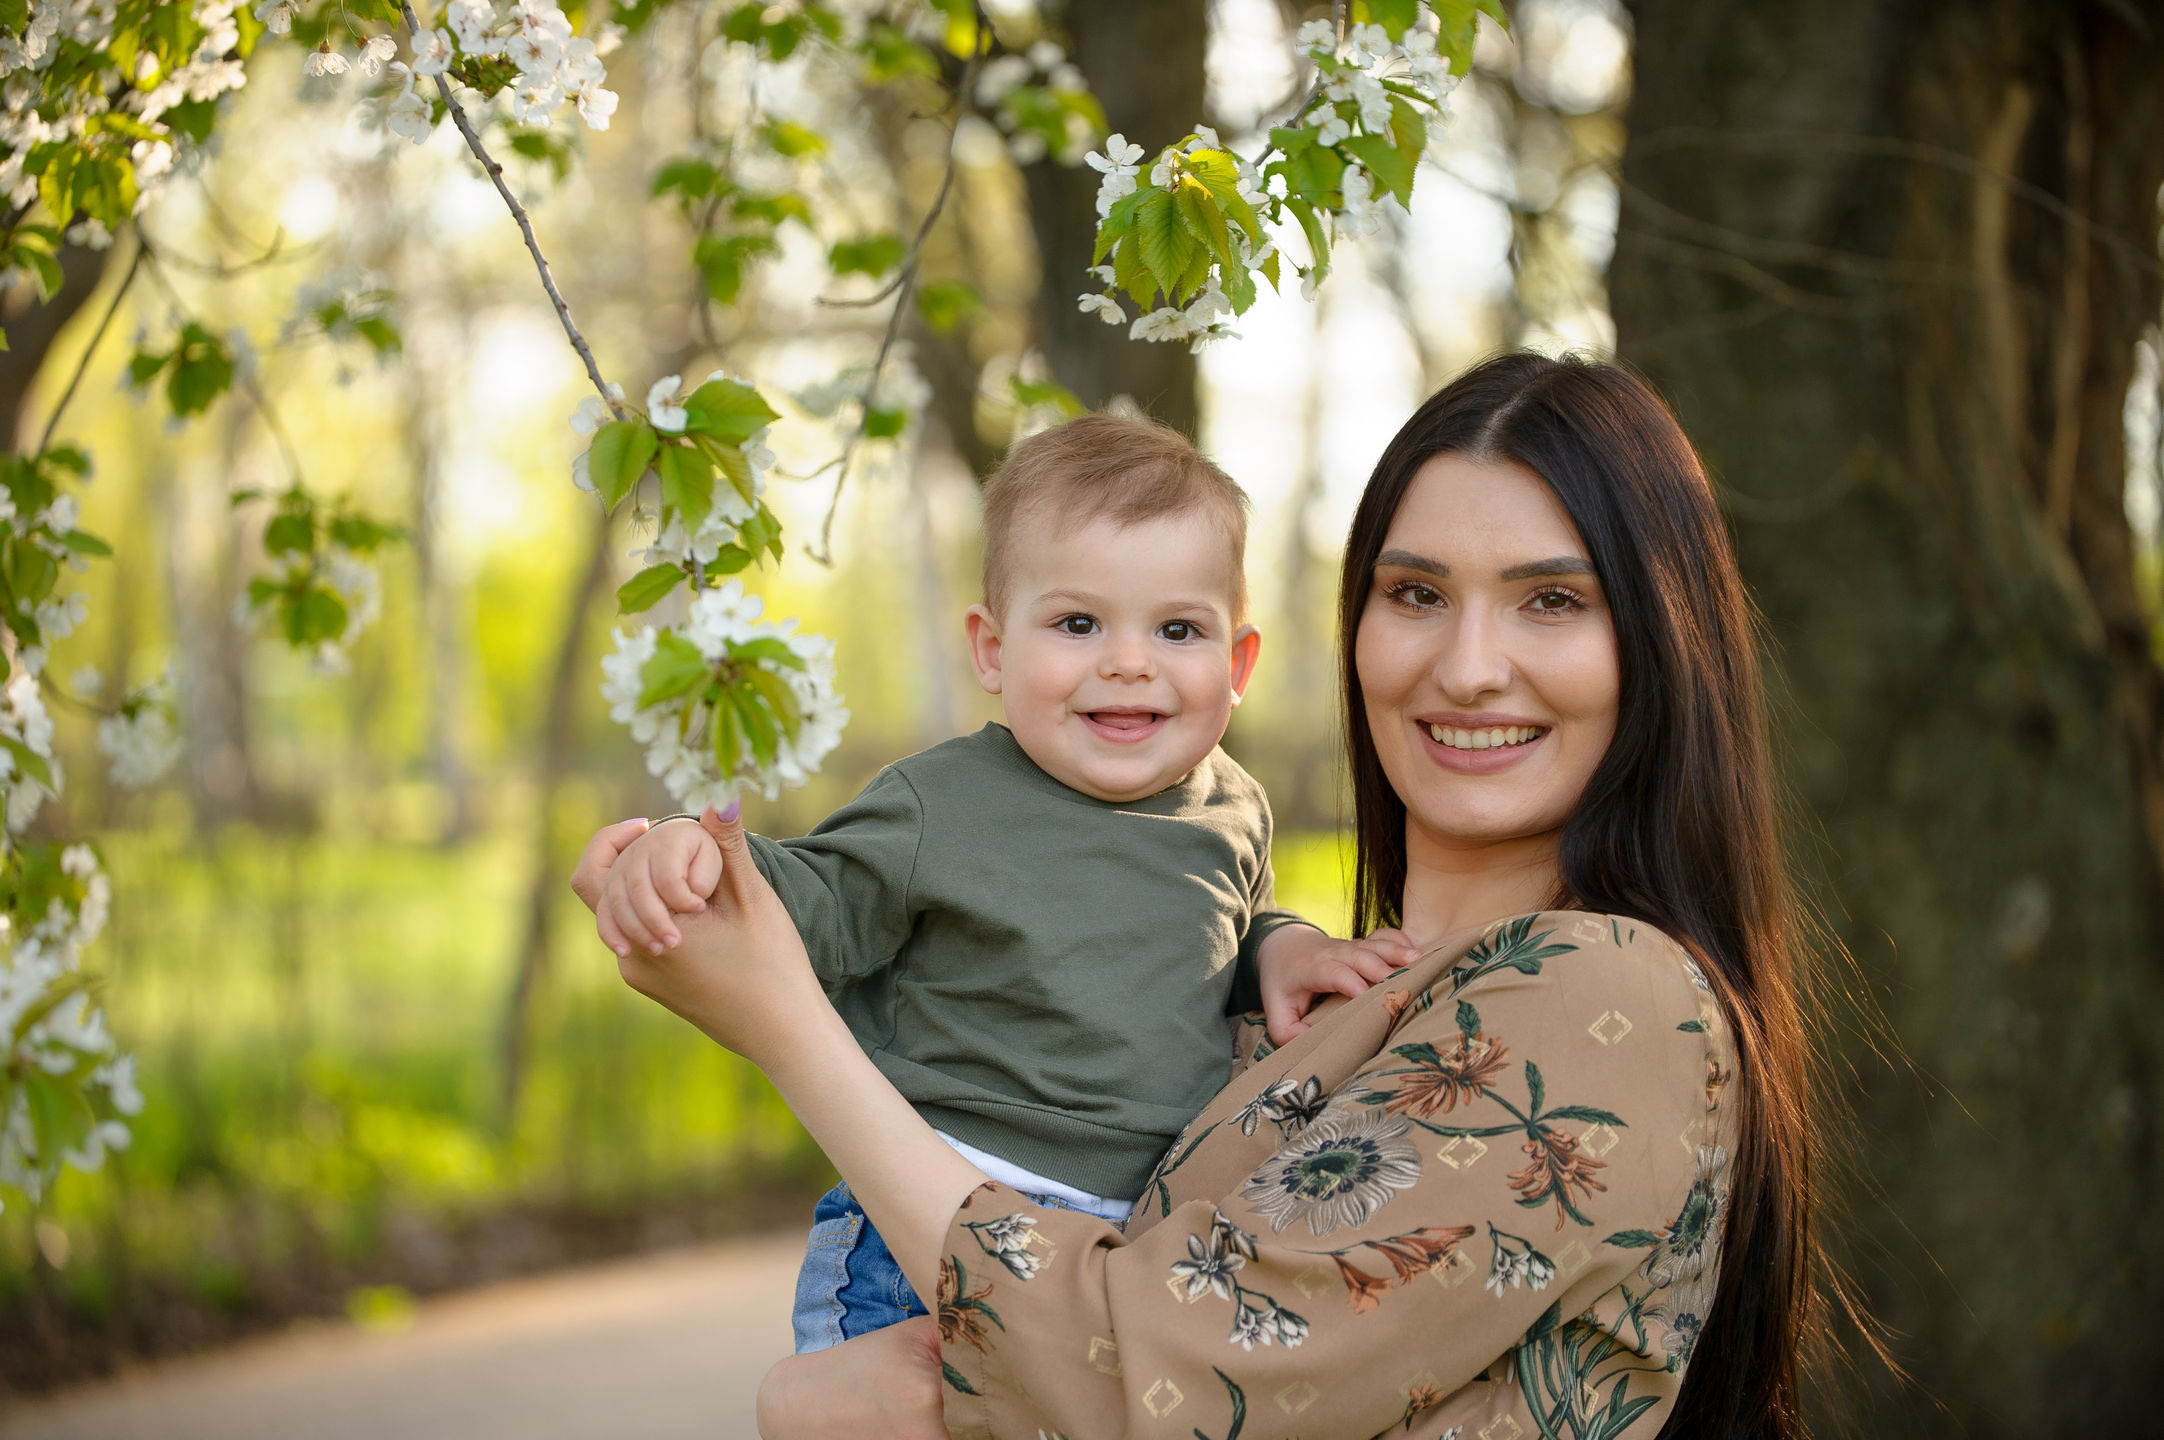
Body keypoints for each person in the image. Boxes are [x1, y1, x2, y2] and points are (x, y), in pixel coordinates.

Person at [572, 352, 1819, 1439]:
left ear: (1659, 642)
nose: (1469, 664)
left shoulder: (1606, 992)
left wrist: (786, 1027)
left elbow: (1152, 1393)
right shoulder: (1304, 995)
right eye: (1416, 594)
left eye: (1553, 599)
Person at [590, 411, 1419, 1355]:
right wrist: (677, 848)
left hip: (1135, 1243)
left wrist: (1286, 948)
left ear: (1235, 666)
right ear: (991, 649)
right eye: (1077, 623)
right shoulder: (940, 802)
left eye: (1178, 628)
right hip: (930, 1222)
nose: (1128, 661)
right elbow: (801, 900)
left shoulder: (1232, 808)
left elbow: (1211, 952)